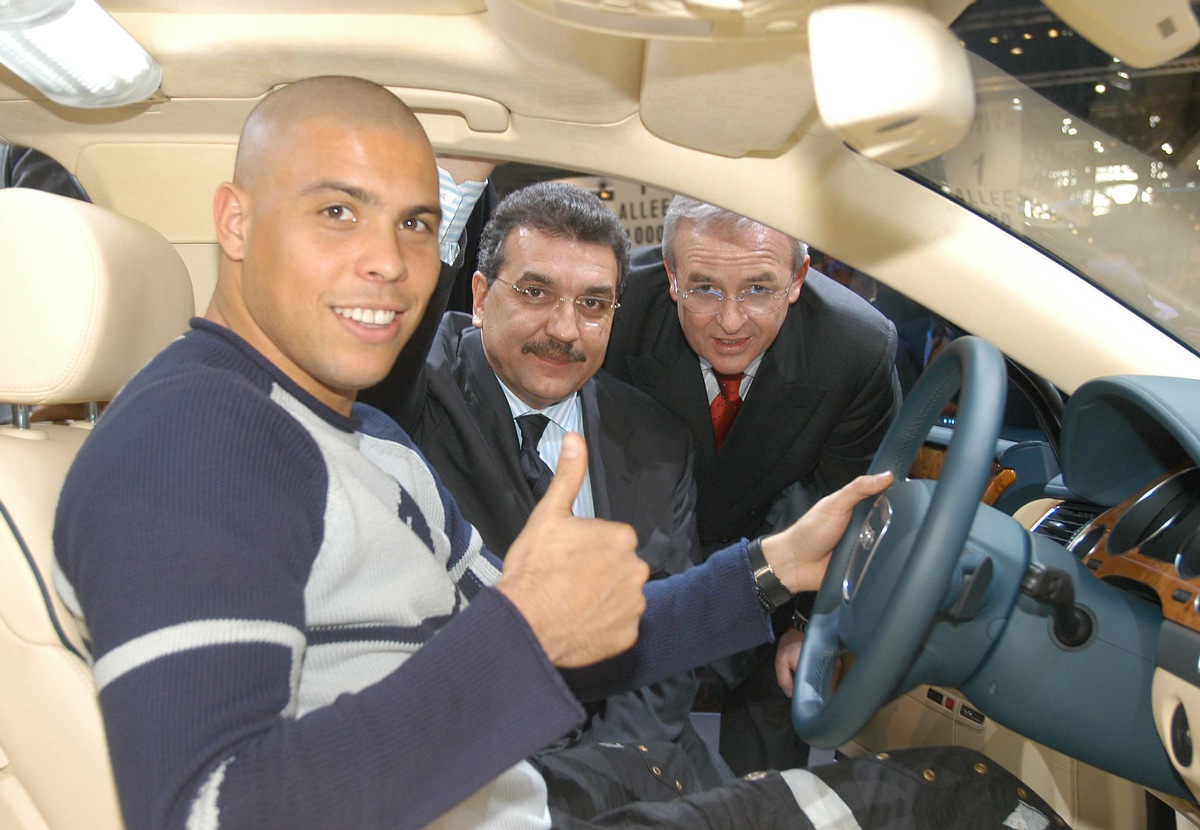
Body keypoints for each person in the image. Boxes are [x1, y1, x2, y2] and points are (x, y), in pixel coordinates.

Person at [54, 76, 1065, 830]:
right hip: (487, 798)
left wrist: (774, 565)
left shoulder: (356, 435)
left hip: (508, 791)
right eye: (335, 210)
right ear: (234, 221)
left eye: (414, 223)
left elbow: (573, 632)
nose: (389, 262)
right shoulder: (196, 438)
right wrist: (516, 631)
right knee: (969, 801)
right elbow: (206, 808)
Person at [362, 179, 732, 786]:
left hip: (628, 757)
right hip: (459, 756)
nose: (565, 329)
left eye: (593, 304)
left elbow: (665, 639)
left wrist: (602, 778)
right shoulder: (416, 396)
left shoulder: (659, 441)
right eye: (536, 292)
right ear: (480, 296)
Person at [603, 199, 903, 774]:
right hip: (633, 553)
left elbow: (845, 501)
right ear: (669, 276)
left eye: (760, 289)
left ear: (798, 279)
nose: (732, 321)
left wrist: (805, 627)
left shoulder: (855, 349)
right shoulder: (614, 308)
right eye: (705, 289)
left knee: (772, 726)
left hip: (777, 552)